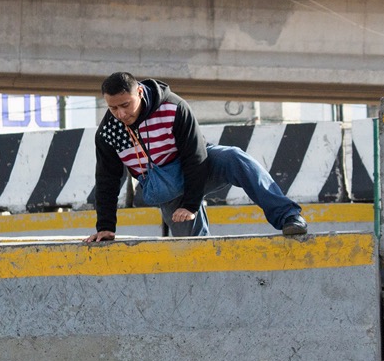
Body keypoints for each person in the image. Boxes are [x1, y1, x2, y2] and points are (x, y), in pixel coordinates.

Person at [83, 72, 309, 242]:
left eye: (125, 105)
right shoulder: (108, 133)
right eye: (113, 108)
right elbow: (107, 180)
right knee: (193, 248)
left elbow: (195, 156)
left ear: (139, 93)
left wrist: (191, 204)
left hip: (198, 167)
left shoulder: (174, 108)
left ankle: (288, 217)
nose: (121, 114)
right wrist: (105, 226)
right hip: (166, 191)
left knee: (234, 157)